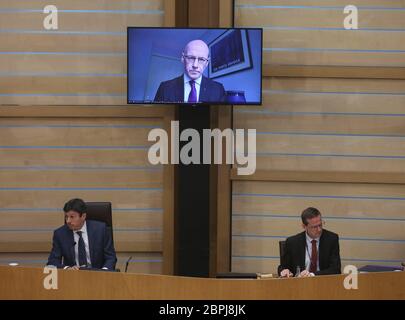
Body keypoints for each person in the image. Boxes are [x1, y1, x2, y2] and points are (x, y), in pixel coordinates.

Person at [47, 198, 117, 270]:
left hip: (98, 274)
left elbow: (110, 257)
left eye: (72, 217)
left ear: (83, 216)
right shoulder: (60, 234)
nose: (68, 221)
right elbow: (52, 261)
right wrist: (67, 268)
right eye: (66, 217)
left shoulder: (101, 229)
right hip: (73, 276)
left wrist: (104, 272)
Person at [154, 39, 225, 103]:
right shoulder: (165, 88)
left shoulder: (218, 89)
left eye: (201, 59)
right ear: (182, 58)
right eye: (191, 58)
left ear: (206, 63)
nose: (195, 65)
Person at [278, 207, 341, 277]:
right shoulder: (292, 242)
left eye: (320, 225)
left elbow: (336, 269)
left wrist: (312, 275)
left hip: (323, 283)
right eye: (314, 227)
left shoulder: (331, 239)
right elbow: (282, 267)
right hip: (299, 284)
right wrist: (284, 271)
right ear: (304, 226)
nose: (319, 229)